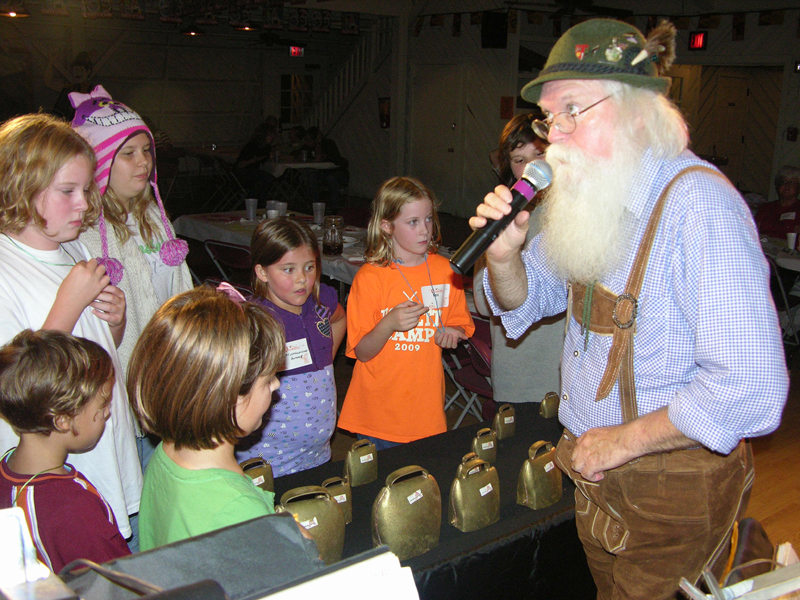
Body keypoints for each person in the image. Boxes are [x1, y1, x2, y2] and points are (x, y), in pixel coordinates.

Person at [470, 19, 787, 599]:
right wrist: (503, 256)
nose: (551, 136)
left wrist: (618, 442)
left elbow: (752, 389)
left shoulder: (700, 207)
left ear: (637, 108)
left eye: (570, 111)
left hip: (674, 492)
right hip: (598, 479)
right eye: (548, 118)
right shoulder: (590, 195)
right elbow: (525, 300)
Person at [0, 113, 142, 547]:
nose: (83, 204)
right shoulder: (6, 269)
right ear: (21, 186)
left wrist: (114, 325)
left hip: (106, 446)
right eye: (67, 191)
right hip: (56, 473)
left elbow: (97, 349)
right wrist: (69, 303)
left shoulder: (73, 246)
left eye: (86, 189)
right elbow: (15, 381)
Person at [127, 286, 285, 550]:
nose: (277, 385)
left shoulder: (165, 453)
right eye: (267, 380)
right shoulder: (241, 510)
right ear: (229, 397)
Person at [339, 177, 475, 449]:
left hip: (425, 411)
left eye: (428, 219)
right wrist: (388, 324)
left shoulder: (446, 270)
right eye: (412, 222)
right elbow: (362, 352)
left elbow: (460, 323)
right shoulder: (370, 278)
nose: (425, 230)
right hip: (378, 413)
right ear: (387, 226)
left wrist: (454, 333)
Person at [69, 85, 192, 377]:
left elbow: (178, 287)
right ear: (99, 162)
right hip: (125, 370)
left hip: (169, 360)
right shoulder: (83, 231)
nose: (144, 161)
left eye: (147, 150)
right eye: (128, 153)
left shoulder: (153, 215)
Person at [0, 329, 131, 572]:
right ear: (62, 421)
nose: (107, 412)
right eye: (102, 404)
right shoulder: (74, 510)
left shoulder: (6, 468)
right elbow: (117, 582)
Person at [236, 217, 346, 475]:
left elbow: (340, 318)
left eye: (309, 267)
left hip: (318, 456)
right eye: (288, 270)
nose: (302, 280)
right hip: (268, 459)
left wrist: (326, 359)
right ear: (262, 272)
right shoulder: (255, 320)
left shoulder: (322, 301)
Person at [473, 114, 564, 417]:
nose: (530, 168)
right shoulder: (500, 213)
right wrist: (499, 255)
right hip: (519, 377)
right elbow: (484, 304)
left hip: (570, 381)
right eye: (518, 159)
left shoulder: (578, 215)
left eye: (539, 154)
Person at [303, 126, 349, 213]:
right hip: (322, 173)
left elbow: (334, 159)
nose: (307, 143)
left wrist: (318, 144)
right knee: (312, 177)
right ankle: (314, 207)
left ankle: (335, 208)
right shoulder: (308, 147)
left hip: (336, 172)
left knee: (331, 178)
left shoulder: (328, 144)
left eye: (308, 140)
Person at [754, 165, 800, 237]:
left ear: (798, 188)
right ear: (777, 186)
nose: (787, 185)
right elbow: (754, 233)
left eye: (792, 182)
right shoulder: (765, 208)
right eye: (784, 181)